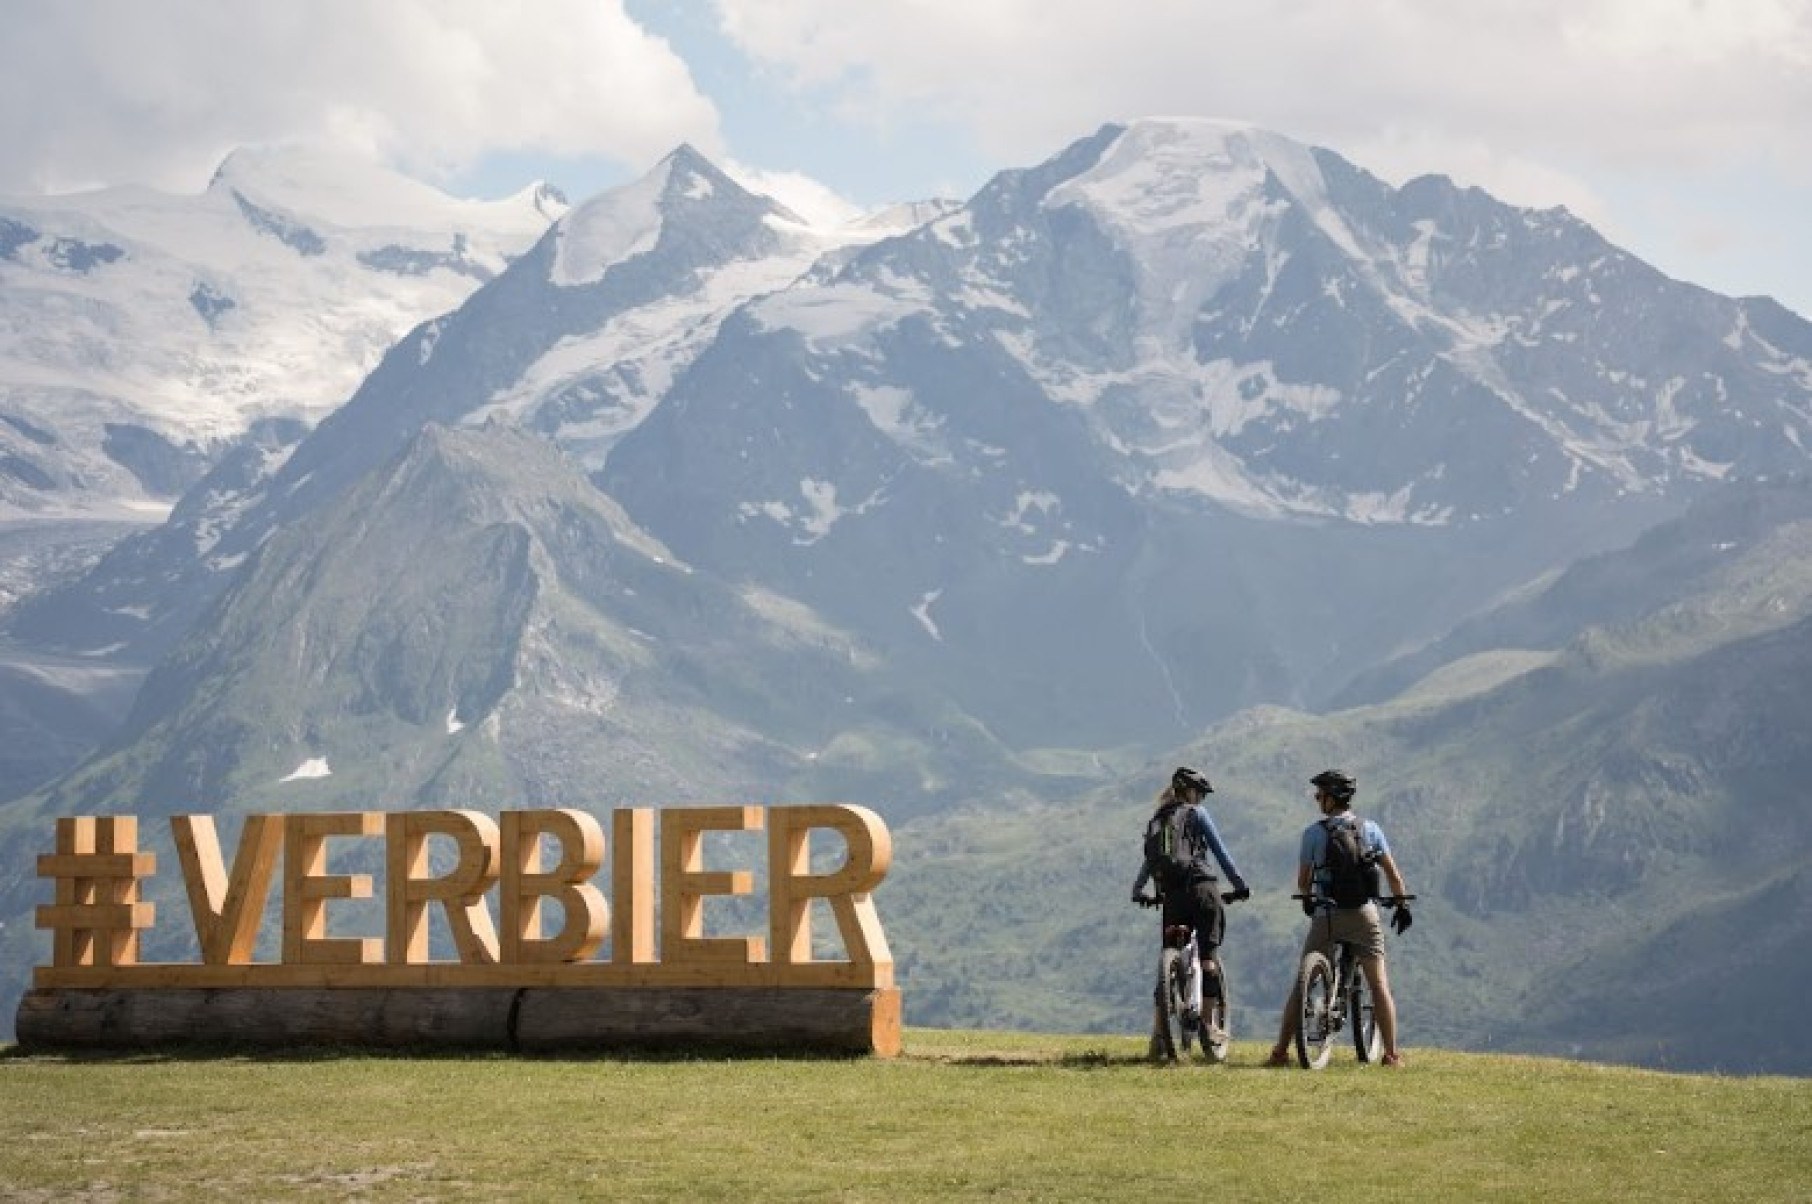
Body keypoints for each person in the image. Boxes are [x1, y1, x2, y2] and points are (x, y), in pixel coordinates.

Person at [1268, 769, 1414, 1068]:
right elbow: (1393, 876)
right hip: (1363, 914)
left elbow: (1303, 881)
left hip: (1327, 914)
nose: (1317, 800)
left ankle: (1281, 1052)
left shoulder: (1313, 833)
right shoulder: (1371, 829)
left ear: (1332, 799)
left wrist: (1309, 900)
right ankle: (1391, 1055)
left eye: (1320, 795)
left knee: (1301, 985)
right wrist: (1401, 905)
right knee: (1379, 985)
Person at [1131, 766, 1250, 1042]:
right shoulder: (1196, 814)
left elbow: (1149, 861)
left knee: (1169, 956)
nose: (1201, 800)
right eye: (1200, 794)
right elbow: (1221, 853)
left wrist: (1138, 890)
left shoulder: (1160, 820)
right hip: (1202, 889)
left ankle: (1159, 1035)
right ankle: (1208, 1026)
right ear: (1190, 792)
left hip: (1172, 896)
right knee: (1208, 957)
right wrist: (1240, 885)